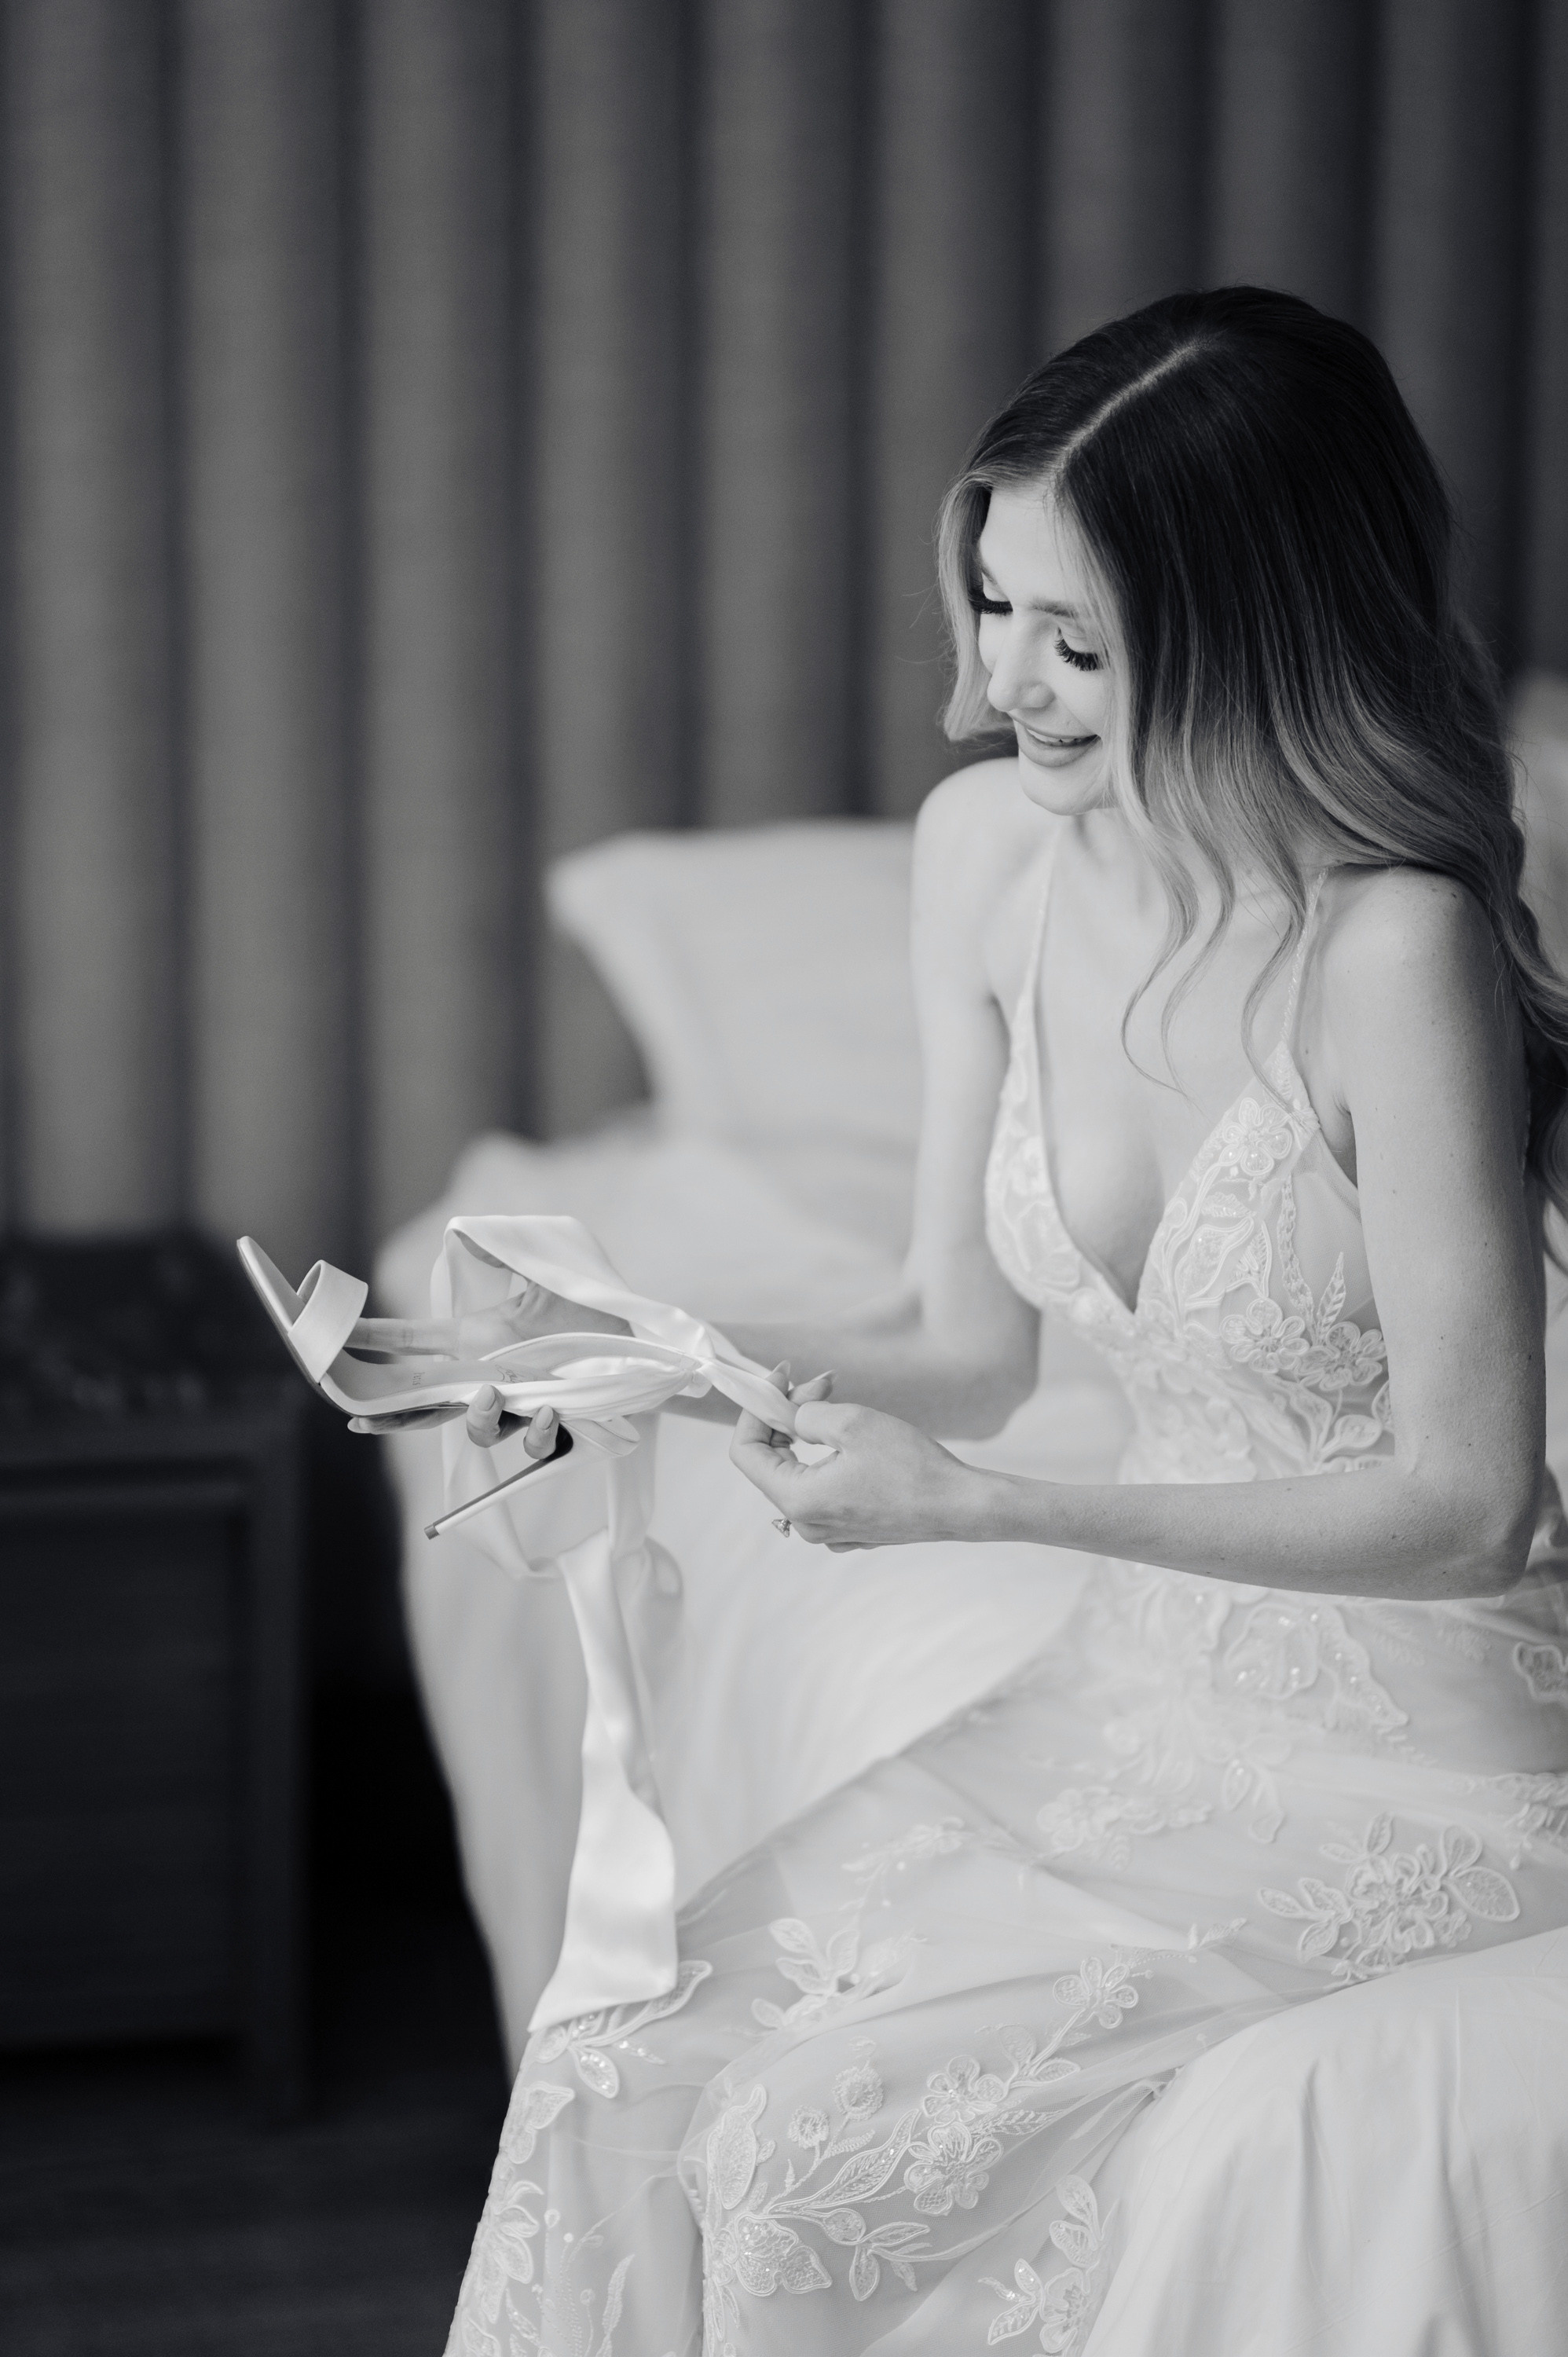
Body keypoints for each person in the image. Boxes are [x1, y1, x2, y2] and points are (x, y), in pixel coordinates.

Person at [434, 288, 1568, 2355]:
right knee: (615, 2064)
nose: (981, 700)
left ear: (1251, 631)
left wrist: (985, 1514)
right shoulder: (986, 860)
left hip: (1411, 1767)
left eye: (1070, 644)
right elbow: (957, 1335)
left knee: (805, 2149)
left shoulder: (1391, 954)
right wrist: (619, 1351)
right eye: (984, 609)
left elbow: (1474, 1506)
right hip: (1124, 1721)